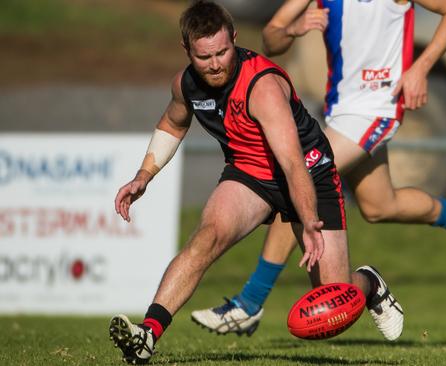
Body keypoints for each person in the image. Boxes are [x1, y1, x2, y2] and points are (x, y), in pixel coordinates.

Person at [191, 0, 446, 340]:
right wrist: (291, 31)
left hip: (379, 107)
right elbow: (271, 38)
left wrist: (421, 67)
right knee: (380, 205)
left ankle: (250, 303)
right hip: (340, 111)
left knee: (299, 184)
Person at [107, 1, 403, 364]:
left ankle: (369, 284)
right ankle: (146, 335)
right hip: (249, 173)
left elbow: (293, 163)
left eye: (222, 51)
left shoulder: (262, 87)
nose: (215, 63)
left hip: (308, 171)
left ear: (234, 38)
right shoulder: (186, 84)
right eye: (204, 57)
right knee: (206, 238)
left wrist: (307, 221)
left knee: (332, 303)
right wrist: (144, 176)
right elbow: (173, 123)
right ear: (187, 51)